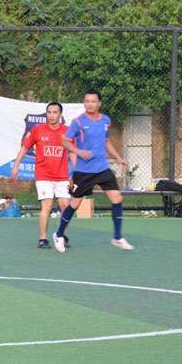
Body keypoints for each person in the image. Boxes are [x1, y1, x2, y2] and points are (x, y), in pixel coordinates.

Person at [51, 89, 134, 252]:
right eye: (87, 101)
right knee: (74, 204)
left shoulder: (105, 120)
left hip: (102, 168)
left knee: (117, 198)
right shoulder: (78, 121)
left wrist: (118, 157)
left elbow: (106, 141)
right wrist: (79, 151)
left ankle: (117, 237)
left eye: (93, 101)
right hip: (84, 171)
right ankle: (59, 234)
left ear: (99, 103)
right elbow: (65, 142)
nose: (89, 104)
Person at [11, 102, 76, 248]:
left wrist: (77, 173)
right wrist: (16, 166)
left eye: (55, 112)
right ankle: (43, 239)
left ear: (60, 115)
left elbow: (72, 152)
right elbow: (24, 147)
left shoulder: (67, 131)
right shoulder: (37, 130)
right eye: (49, 112)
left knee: (66, 207)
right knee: (47, 205)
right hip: (43, 175)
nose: (51, 115)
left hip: (62, 176)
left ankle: (61, 235)